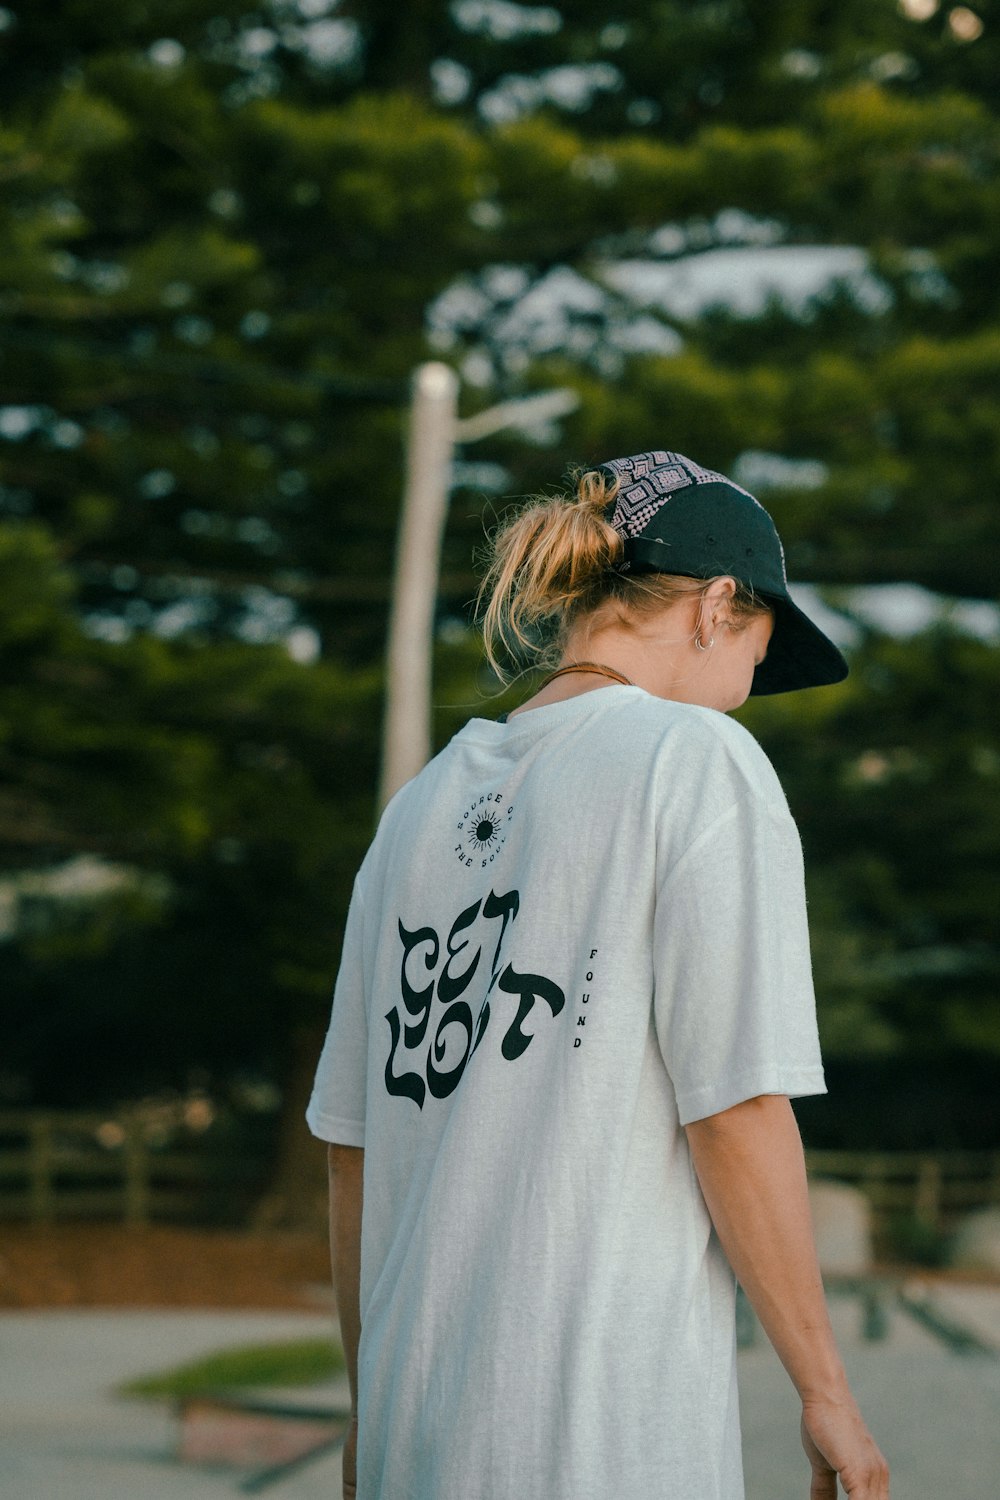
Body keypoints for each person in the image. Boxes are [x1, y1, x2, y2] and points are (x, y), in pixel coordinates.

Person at [307, 449, 890, 1500]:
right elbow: (736, 1108)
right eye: (764, 645)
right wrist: (825, 1392)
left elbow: (352, 1154)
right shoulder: (693, 761)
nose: (753, 687)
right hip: (599, 1432)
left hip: (412, 1433)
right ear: (718, 604)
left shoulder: (420, 805)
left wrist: (368, 1413)